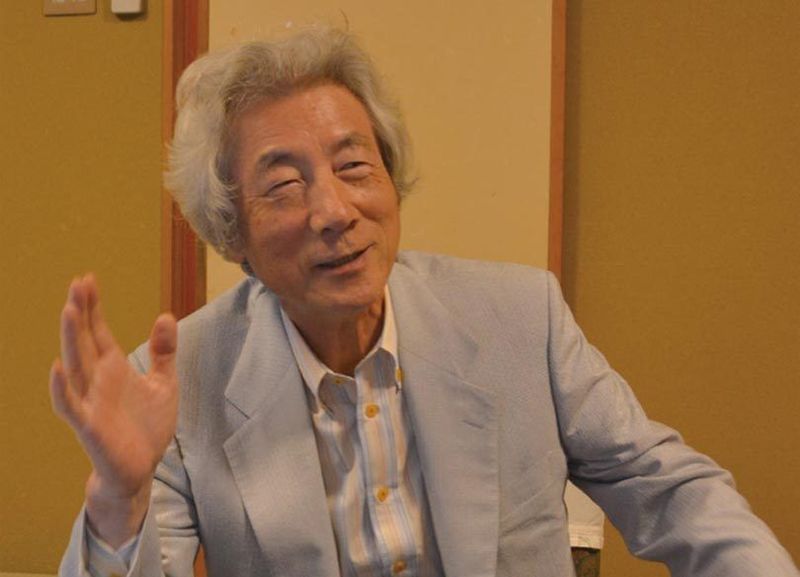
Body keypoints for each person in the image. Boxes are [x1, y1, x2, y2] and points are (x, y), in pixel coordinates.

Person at [51, 27, 798, 577]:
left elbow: (670, 490)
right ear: (230, 231)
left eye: (354, 166)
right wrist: (121, 496)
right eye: (283, 185)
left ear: (391, 178)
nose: (334, 210)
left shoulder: (519, 318)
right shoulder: (182, 382)